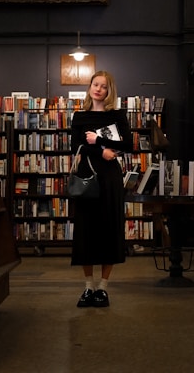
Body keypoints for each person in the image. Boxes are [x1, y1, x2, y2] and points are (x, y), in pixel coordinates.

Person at [70, 70, 132, 308]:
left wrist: (99, 140)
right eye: (95, 84)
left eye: (104, 86)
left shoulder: (117, 115)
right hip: (87, 175)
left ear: (109, 91)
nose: (98, 89)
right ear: (90, 87)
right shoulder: (79, 116)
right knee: (85, 229)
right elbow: (76, 146)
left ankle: (103, 289)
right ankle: (88, 287)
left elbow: (128, 144)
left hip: (110, 177)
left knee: (109, 228)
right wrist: (100, 150)